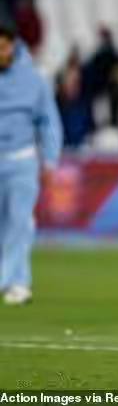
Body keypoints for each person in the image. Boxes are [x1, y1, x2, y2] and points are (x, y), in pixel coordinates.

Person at [0, 18, 62, 305]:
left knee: (20, 222)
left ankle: (12, 281)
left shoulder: (35, 79)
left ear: (13, 46)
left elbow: (49, 122)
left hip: (21, 159)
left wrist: (50, 160)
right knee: (9, 225)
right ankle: (17, 280)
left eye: (2, 47)